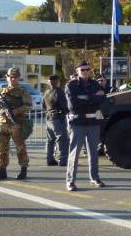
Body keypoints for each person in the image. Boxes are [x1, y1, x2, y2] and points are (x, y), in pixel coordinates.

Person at [64, 61, 106, 191]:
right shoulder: (71, 85)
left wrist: (85, 98)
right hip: (78, 123)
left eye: (88, 69)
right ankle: (70, 181)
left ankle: (94, 178)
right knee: (74, 154)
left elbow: (102, 101)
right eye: (82, 70)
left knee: (94, 153)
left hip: (93, 122)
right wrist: (93, 97)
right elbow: (73, 104)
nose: (86, 71)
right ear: (77, 71)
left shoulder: (94, 84)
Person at [0, 67, 32, 181]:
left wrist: (15, 111)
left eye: (15, 77)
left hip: (16, 124)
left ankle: (23, 169)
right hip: (2, 124)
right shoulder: (1, 91)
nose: (13, 79)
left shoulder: (22, 91)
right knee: (1, 148)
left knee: (20, 147)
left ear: (18, 78)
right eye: (11, 77)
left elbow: (28, 105)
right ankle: (1, 170)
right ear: (7, 78)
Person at [43, 75, 69, 167]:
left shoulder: (46, 92)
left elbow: (43, 105)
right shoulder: (59, 92)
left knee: (50, 140)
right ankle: (63, 160)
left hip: (48, 117)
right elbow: (64, 106)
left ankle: (49, 159)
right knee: (62, 139)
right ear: (57, 81)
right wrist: (67, 110)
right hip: (58, 118)